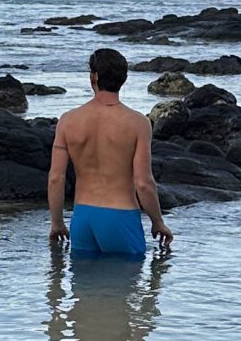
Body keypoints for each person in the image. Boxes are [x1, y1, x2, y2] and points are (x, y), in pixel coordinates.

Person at [47, 47, 174, 260]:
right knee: (125, 287)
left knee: (85, 290)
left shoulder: (68, 121)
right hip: (120, 216)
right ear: (123, 79)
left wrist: (57, 223)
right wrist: (157, 222)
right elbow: (143, 182)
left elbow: (55, 178)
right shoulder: (138, 123)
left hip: (83, 218)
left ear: (93, 77)